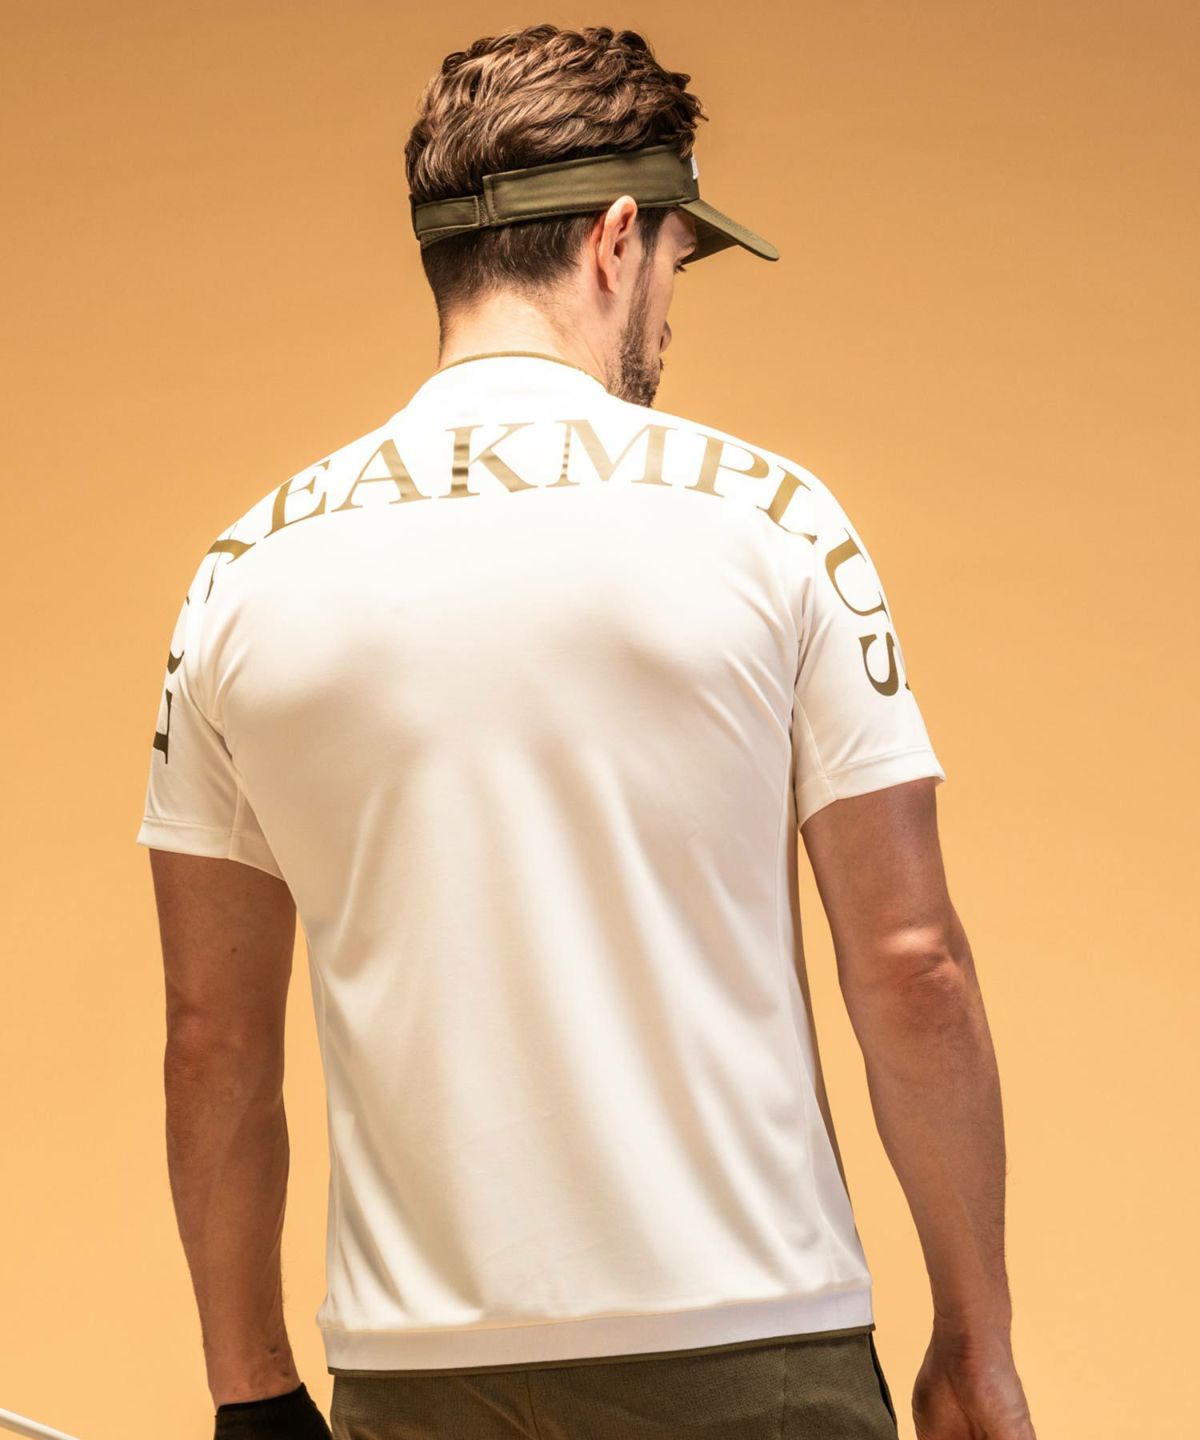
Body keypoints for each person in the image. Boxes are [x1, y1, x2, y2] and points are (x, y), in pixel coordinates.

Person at [136, 22, 1037, 1440]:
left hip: (416, 1374)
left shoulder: (241, 574)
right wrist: (975, 1343)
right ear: (618, 240)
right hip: (751, 1349)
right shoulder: (775, 523)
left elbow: (214, 1041)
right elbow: (912, 966)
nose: (669, 308)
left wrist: (251, 1395)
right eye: (678, 261)